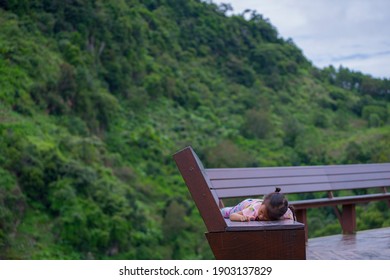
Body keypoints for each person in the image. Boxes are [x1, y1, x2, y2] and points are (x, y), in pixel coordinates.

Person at [221, 187, 296, 222]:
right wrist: (241, 217)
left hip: (255, 204)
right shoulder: (254, 209)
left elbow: (292, 221)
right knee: (226, 212)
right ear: (263, 203)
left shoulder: (283, 212)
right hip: (246, 205)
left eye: (266, 217)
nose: (261, 216)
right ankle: (220, 209)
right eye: (261, 212)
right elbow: (232, 215)